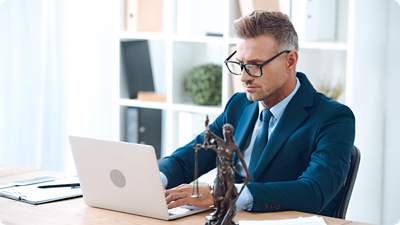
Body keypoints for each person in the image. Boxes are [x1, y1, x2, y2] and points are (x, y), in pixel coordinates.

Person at [159, 10, 355, 217]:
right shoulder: (238, 105)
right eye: (240, 64)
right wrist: (155, 179)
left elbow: (314, 192)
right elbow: (190, 157)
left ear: (290, 61)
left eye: (254, 65)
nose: (244, 77)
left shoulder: (333, 117)